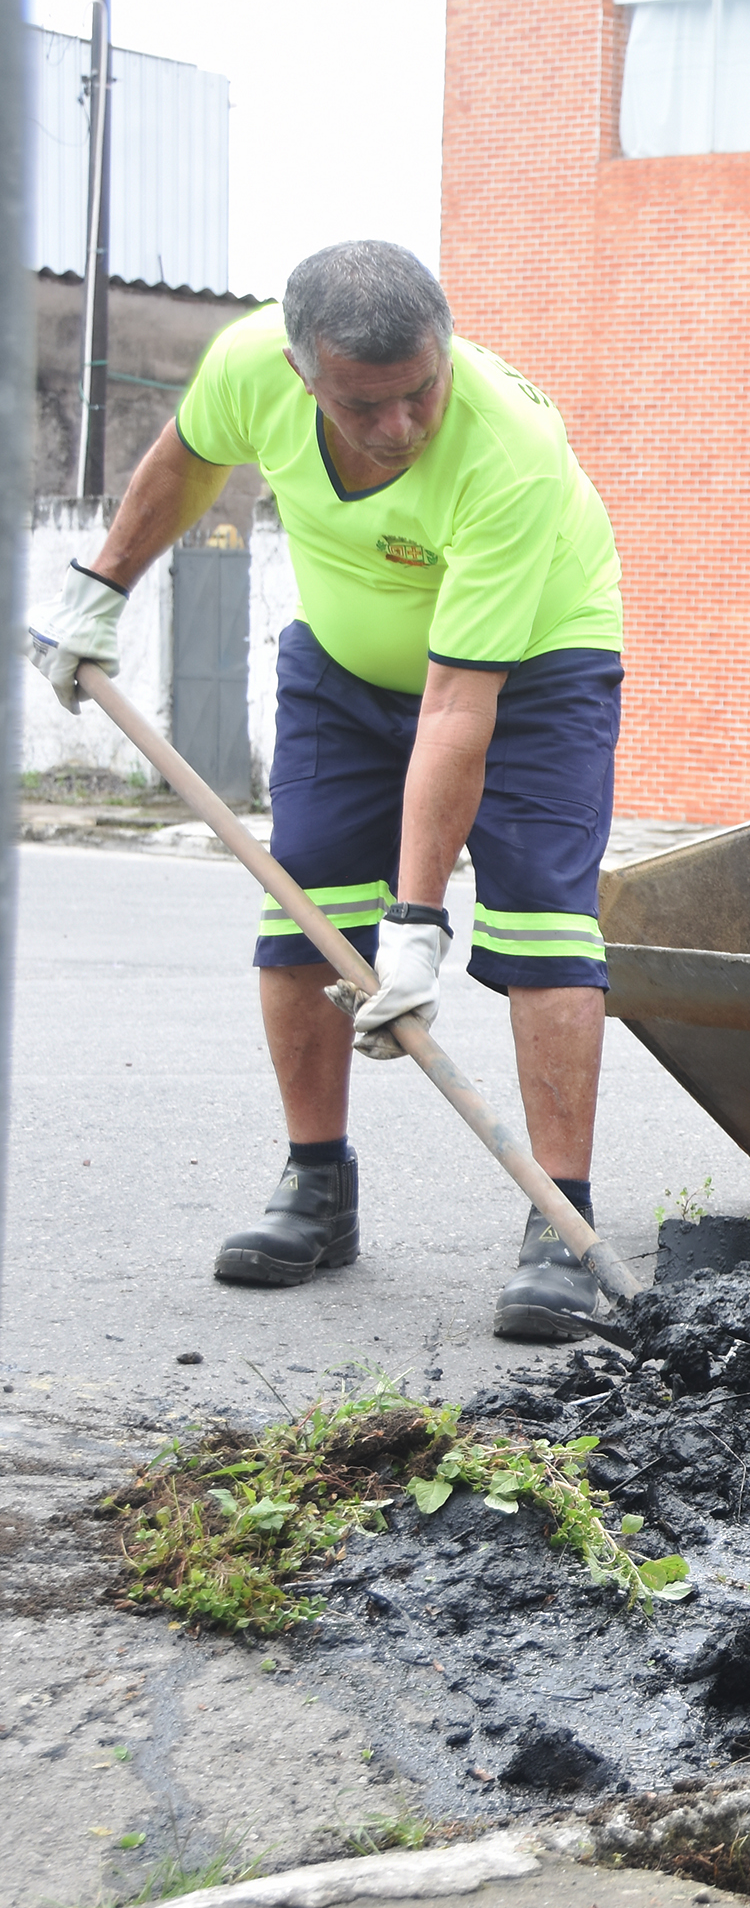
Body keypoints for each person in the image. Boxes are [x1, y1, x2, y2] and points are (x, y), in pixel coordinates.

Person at [27, 241, 628, 1339]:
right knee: (302, 908)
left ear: (446, 352)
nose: (399, 426)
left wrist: (417, 922)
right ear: (304, 375)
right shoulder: (249, 364)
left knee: (545, 918)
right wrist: (96, 585)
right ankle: (317, 1185)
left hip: (533, 665)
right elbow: (188, 455)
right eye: (365, 404)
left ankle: (562, 1221)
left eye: (420, 392)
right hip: (343, 662)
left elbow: (455, 708)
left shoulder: (512, 449)